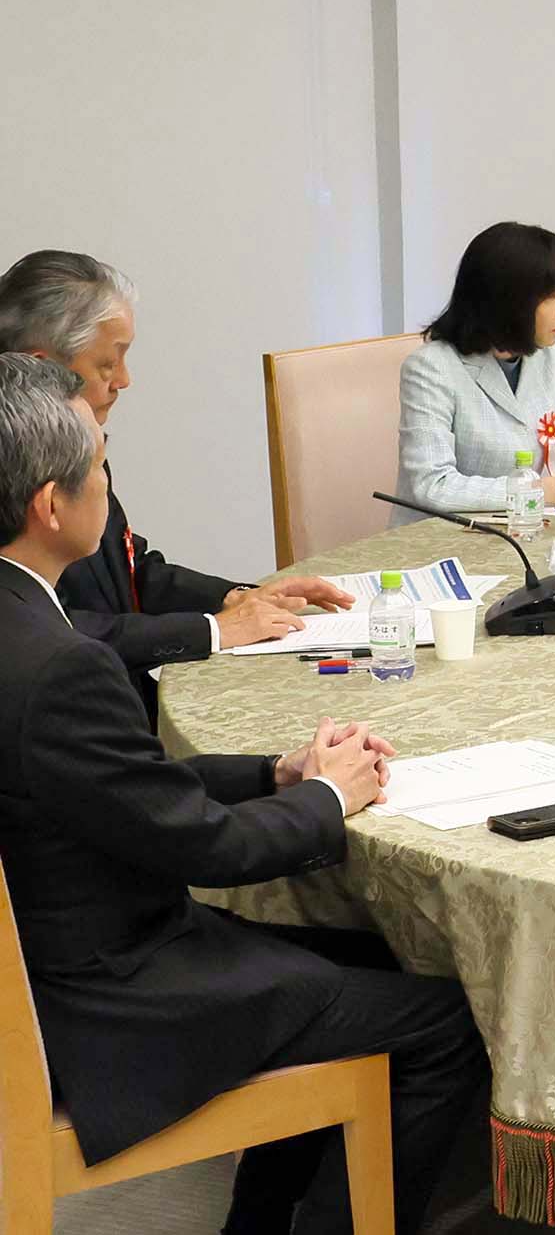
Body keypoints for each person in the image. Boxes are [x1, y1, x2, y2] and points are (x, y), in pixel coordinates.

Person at [0, 352, 490, 1235]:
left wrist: (277, 774)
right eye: (102, 467)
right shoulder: (63, 662)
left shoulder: (27, 631)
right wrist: (334, 798)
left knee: (370, 958)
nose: (110, 487)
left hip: (56, 964)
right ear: (50, 505)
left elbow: (114, 789)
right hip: (109, 1002)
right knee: (449, 1022)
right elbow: (207, 850)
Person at [0, 251, 347, 696]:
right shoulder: (20, 465)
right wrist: (212, 631)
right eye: (109, 363)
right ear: (43, 367)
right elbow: (47, 625)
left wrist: (236, 598)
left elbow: (126, 565)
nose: (124, 380)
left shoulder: (76, 439)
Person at [397, 222, 555, 514]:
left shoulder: (553, 353)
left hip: (524, 531)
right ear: (507, 302)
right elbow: (433, 486)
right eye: (551, 296)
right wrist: (549, 490)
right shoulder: (431, 369)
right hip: (444, 543)